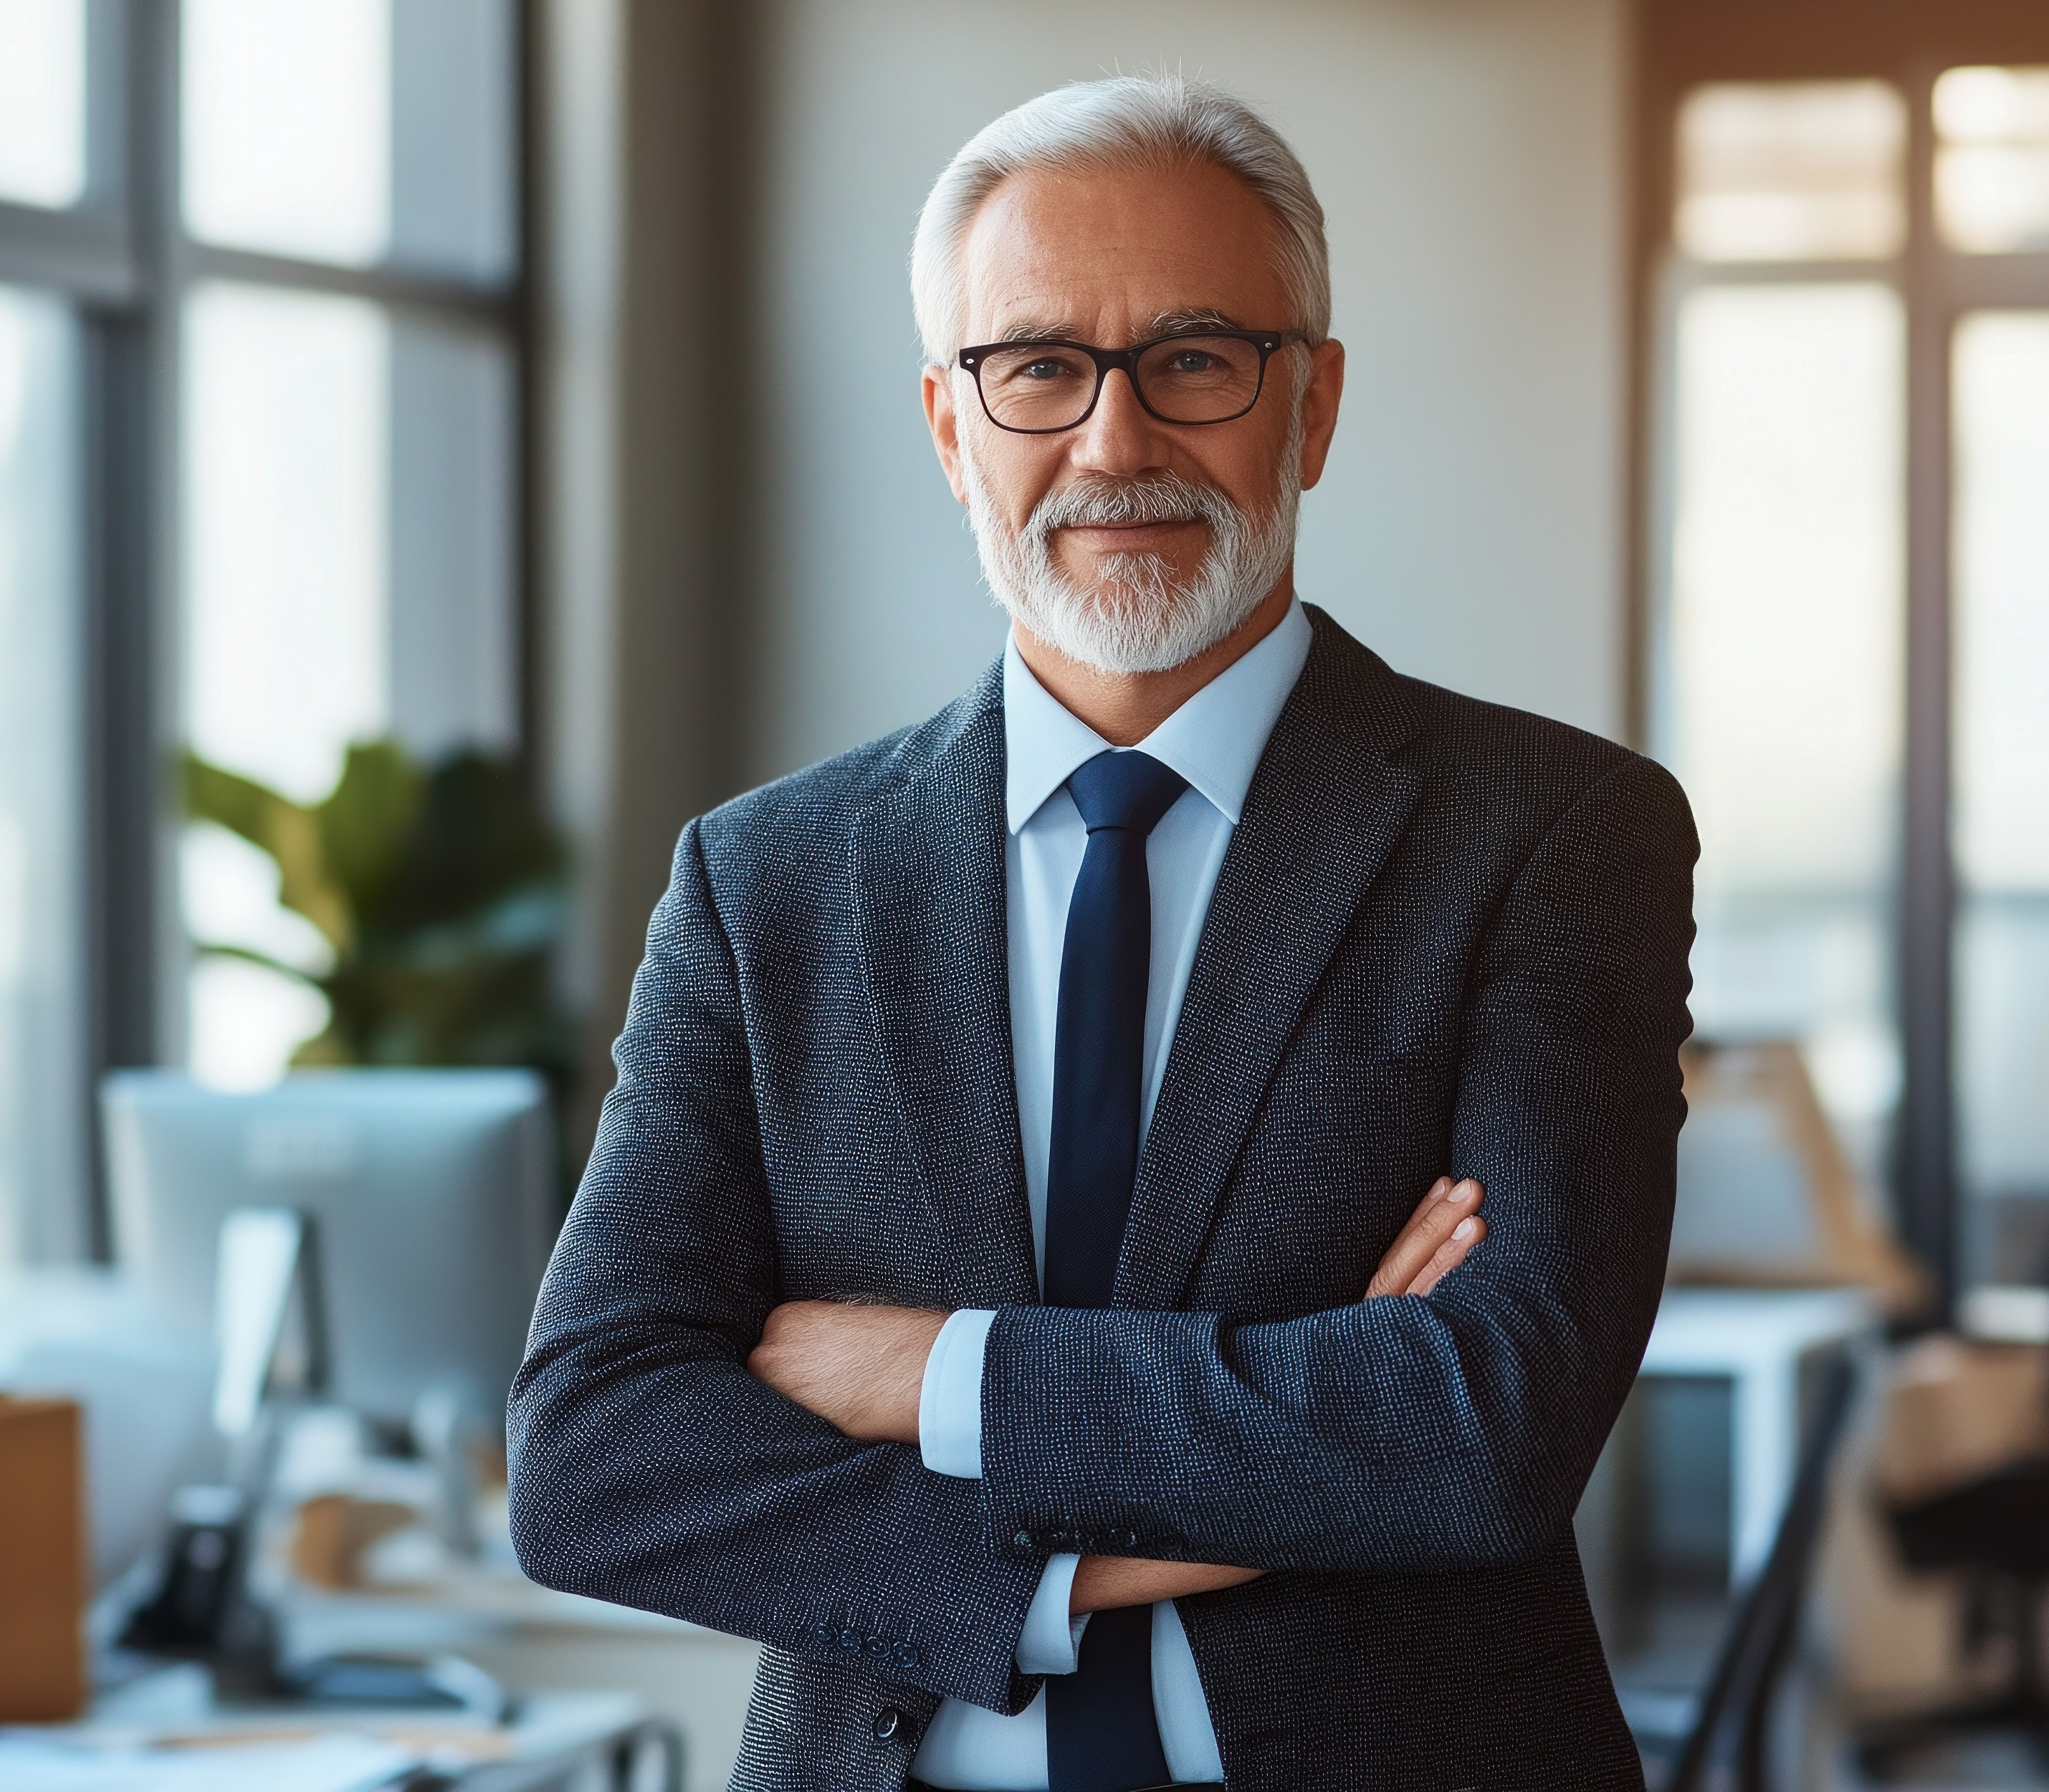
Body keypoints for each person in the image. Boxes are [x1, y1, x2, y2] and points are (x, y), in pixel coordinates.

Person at [506, 75, 1694, 1792]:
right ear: (947, 425)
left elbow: (1484, 1422)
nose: (1115, 442)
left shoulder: (1549, 833)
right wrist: (1113, 1556)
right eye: (1038, 366)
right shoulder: (761, 878)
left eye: (1195, 358)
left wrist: (927, 1371)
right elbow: (593, 1455)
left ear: (1314, 406)